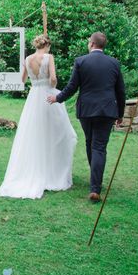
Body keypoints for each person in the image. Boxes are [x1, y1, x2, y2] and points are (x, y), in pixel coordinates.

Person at [47, 32, 126, 203]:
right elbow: (121, 91)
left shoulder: (81, 61)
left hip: (87, 110)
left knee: (91, 142)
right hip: (107, 111)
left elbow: (72, 87)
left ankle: (95, 184)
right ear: (102, 45)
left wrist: (57, 98)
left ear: (91, 44)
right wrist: (120, 113)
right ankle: (95, 186)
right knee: (99, 146)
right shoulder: (114, 63)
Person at [0, 35, 77, 200]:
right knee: (56, 132)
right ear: (47, 45)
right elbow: (54, 79)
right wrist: (52, 86)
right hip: (47, 96)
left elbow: (22, 79)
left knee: (33, 132)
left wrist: (34, 81)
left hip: (33, 97)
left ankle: (34, 169)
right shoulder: (49, 57)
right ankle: (51, 171)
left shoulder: (27, 58)